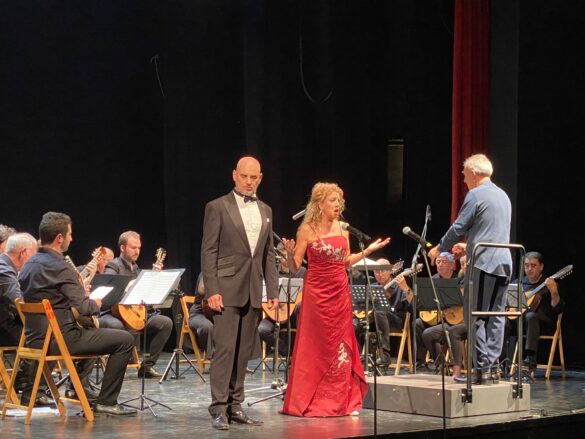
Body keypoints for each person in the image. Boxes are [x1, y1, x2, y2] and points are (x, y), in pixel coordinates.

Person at [281, 182, 390, 417]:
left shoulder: (343, 229)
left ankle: (342, 400)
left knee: (341, 344)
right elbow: (295, 266)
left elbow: (346, 262)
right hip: (317, 294)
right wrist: (289, 256)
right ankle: (313, 399)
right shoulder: (306, 230)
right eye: (332, 200)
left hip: (340, 292)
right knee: (317, 345)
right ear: (320, 204)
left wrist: (369, 251)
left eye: (339, 200)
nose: (337, 204)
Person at [19, 212, 136, 416]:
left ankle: (82, 389)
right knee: (125, 340)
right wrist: (95, 303)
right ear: (59, 238)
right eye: (70, 234)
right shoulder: (60, 267)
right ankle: (106, 402)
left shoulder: (29, 264)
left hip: (34, 339)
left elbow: (52, 297)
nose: (72, 239)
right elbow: (84, 308)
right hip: (60, 339)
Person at [201, 156, 279, 430]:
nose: (248, 181)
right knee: (225, 350)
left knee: (243, 351)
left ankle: (235, 406)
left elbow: (268, 254)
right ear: (234, 175)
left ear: (260, 178)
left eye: (253, 177)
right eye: (244, 176)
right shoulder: (217, 206)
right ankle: (218, 408)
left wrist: (272, 289)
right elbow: (208, 251)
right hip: (225, 289)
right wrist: (212, 290)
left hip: (253, 289)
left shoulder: (266, 210)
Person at [429, 153, 512, 385]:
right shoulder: (503, 195)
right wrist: (468, 246)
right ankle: (492, 369)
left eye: (465, 175)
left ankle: (481, 369)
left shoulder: (476, 194)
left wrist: (439, 248)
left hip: (484, 263)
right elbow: (492, 231)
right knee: (495, 316)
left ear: (474, 173)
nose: (464, 179)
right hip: (504, 262)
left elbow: (458, 227)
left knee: (474, 316)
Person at [102, 231, 173, 378]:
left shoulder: (136, 268)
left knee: (164, 323)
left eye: (139, 248)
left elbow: (144, 296)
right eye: (133, 248)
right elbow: (109, 291)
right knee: (117, 327)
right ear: (122, 248)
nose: (137, 251)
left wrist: (153, 278)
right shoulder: (113, 266)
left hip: (133, 314)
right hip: (112, 314)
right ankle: (116, 369)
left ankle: (146, 367)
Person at [0, 233, 54, 405]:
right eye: (34, 254)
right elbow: (18, 302)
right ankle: (33, 391)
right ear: (23, 252)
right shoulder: (3, 269)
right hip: (3, 329)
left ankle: (23, 382)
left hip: (8, 324)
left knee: (46, 332)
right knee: (50, 338)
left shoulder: (9, 267)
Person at [353, 257, 412, 364]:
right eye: (376, 271)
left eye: (382, 271)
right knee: (356, 323)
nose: (379, 274)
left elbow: (413, 303)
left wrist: (406, 288)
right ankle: (355, 358)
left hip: (395, 321)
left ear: (390, 271)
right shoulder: (372, 287)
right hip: (374, 321)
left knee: (379, 311)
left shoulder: (399, 286)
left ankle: (385, 356)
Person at [514, 251, 565, 373]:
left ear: (541, 266)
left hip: (543, 324)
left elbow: (558, 308)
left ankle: (530, 358)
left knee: (531, 316)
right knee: (500, 319)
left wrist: (554, 291)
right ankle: (496, 361)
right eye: (526, 265)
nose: (529, 269)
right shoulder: (518, 283)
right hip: (520, 322)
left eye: (533, 265)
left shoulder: (548, 284)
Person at [257, 243, 306, 358]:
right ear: (279, 257)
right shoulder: (271, 273)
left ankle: (301, 354)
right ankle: (289, 353)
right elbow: (263, 296)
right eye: (285, 255)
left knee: (300, 307)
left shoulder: (302, 272)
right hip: (276, 314)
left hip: (295, 317)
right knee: (262, 329)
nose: (288, 258)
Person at [187, 272, 214, 357]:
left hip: (218, 314)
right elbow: (202, 289)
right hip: (199, 313)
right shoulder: (207, 271)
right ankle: (214, 358)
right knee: (206, 326)